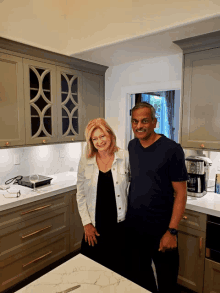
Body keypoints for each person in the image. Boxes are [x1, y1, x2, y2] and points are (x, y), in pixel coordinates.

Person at [124, 102, 188, 293]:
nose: (138, 126)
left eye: (144, 121)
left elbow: (181, 193)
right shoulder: (132, 146)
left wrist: (172, 231)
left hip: (162, 230)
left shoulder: (172, 149)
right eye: (135, 121)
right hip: (135, 228)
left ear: (154, 122)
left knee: (167, 281)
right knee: (139, 277)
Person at [76, 118, 129, 273]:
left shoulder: (124, 157)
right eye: (94, 138)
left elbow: (133, 188)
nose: (99, 141)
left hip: (119, 226)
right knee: (91, 269)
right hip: (94, 226)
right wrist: (86, 224)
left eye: (102, 136)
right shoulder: (86, 160)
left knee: (118, 270)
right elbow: (80, 194)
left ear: (110, 135)